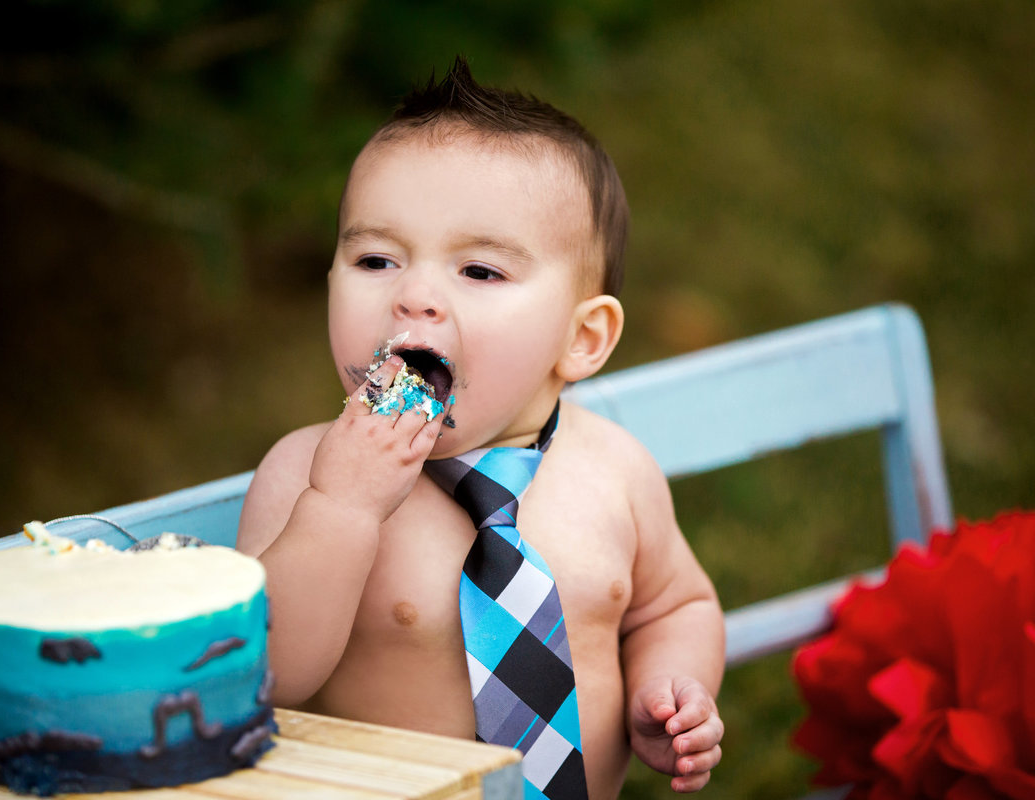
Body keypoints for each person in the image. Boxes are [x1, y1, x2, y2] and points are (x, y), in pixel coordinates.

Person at [237, 57, 725, 798]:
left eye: (480, 271)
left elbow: (676, 603)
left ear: (582, 337)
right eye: (376, 258)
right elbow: (260, 677)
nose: (415, 295)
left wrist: (670, 687)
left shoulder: (616, 472)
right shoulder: (305, 475)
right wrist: (342, 508)